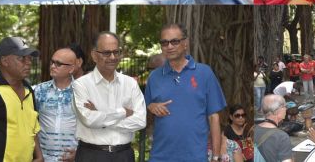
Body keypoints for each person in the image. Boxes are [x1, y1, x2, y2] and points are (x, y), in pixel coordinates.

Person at [145, 24, 226, 162]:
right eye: (164, 43)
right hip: (160, 156)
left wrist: (216, 156)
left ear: (185, 44)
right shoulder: (154, 77)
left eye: (174, 41)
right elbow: (143, 116)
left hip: (195, 156)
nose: (169, 46)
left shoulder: (204, 73)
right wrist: (151, 106)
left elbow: (214, 118)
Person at [73, 32, 146, 162]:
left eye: (116, 52)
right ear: (94, 55)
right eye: (106, 53)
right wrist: (123, 112)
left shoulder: (130, 84)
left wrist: (100, 116)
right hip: (91, 155)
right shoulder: (81, 85)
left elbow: (140, 121)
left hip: (124, 155)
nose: (113, 57)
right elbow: (88, 120)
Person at [35, 48, 78, 162]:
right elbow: (31, 124)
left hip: (72, 158)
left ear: (71, 68)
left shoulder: (82, 91)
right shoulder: (39, 90)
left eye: (58, 64)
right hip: (44, 158)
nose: (53, 66)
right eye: (52, 62)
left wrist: (79, 153)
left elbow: (91, 126)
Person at [255, 95, 292, 161]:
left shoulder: (252, 130)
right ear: (278, 110)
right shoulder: (282, 137)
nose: (286, 109)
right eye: (285, 106)